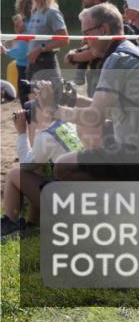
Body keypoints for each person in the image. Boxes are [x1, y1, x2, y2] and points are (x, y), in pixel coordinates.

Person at [53, 3, 139, 182]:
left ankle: (112, 204)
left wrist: (52, 111)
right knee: (101, 138)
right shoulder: (132, 51)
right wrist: (73, 99)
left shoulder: (117, 60)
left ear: (104, 29)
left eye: (87, 33)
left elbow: (94, 116)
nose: (84, 40)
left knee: (62, 166)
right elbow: (111, 108)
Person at [1, 81, 84, 239]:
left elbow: (26, 165)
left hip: (70, 207)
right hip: (83, 200)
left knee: (14, 174)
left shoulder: (46, 137)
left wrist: (21, 133)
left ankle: (11, 226)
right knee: (40, 170)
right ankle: (33, 225)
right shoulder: (66, 125)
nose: (29, 115)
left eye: (32, 111)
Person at [21, 0, 68, 92]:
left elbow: (64, 40)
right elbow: (33, 39)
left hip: (46, 62)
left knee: (51, 104)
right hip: (33, 64)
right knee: (33, 104)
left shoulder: (52, 12)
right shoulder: (35, 11)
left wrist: (40, 49)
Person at [65, 0, 111, 97]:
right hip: (96, 72)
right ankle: (79, 77)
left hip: (106, 73)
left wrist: (73, 56)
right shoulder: (91, 17)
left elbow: (96, 51)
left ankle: (79, 77)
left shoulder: (105, 18)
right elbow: (89, 46)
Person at [6, 0, 33, 106]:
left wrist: (6, 51)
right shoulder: (35, 25)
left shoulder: (26, 28)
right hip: (35, 66)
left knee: (25, 99)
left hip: (25, 68)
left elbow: (21, 53)